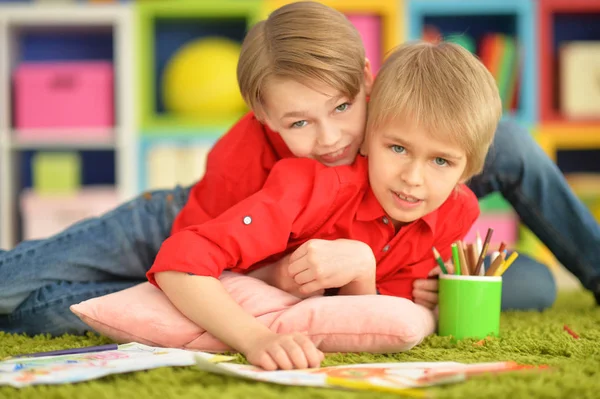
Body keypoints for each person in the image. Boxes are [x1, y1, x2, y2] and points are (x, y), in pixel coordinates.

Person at [0, 1, 592, 337]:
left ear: (367, 80)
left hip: (351, 244)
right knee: (20, 288)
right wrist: (280, 281)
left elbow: (453, 149)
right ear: (264, 116)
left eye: (343, 108)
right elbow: (203, 258)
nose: (332, 139)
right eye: (300, 123)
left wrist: (421, 279)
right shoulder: (253, 159)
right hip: (202, 231)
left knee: (528, 277)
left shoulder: (395, 115)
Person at [147, 39, 503, 371]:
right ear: (366, 138)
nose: (413, 178)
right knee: (102, 299)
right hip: (166, 213)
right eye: (397, 148)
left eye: (441, 161)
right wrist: (255, 339)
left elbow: (376, 317)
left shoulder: (458, 211)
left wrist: (362, 269)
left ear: (467, 170)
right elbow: (180, 261)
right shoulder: (310, 187)